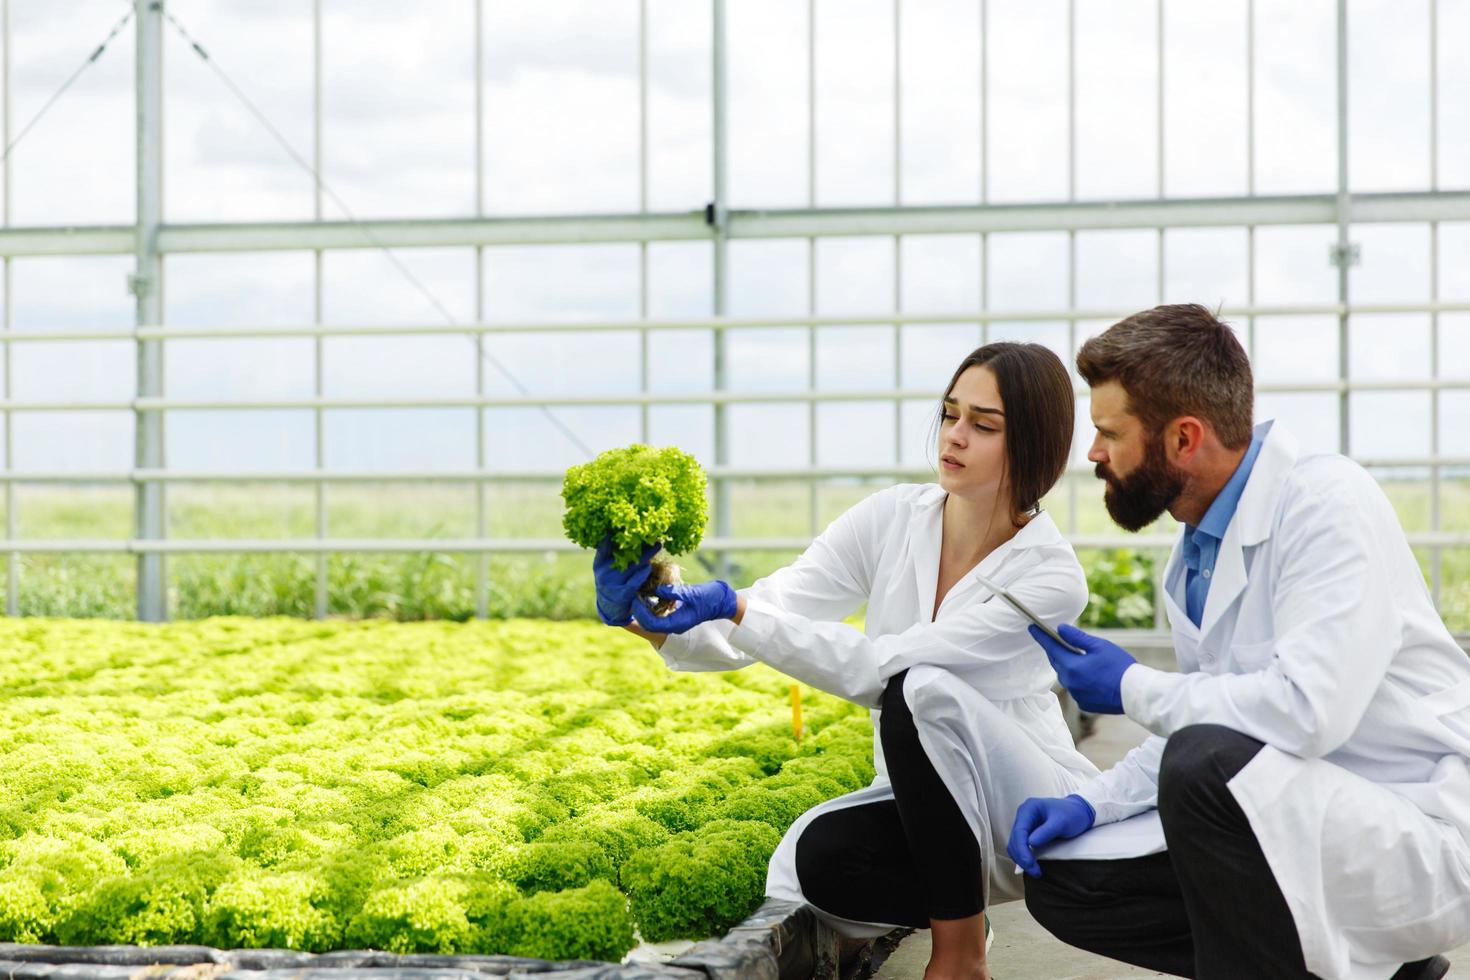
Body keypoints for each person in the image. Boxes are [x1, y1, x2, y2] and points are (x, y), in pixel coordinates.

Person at [593, 342, 1098, 980]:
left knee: (917, 688)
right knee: (814, 860)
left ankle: (961, 956)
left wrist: (737, 609)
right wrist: (653, 613)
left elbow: (882, 674)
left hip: (1022, 805)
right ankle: (959, 908)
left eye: (984, 424)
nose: (956, 436)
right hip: (927, 809)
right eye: (949, 415)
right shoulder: (893, 518)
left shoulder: (1049, 576)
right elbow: (782, 603)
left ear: (1032, 445)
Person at [1007, 304, 1469, 980]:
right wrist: (1090, 802)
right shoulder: (1193, 554)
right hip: (1301, 819)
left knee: (1204, 766)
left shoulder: (1325, 503)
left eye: (1110, 432)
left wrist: (1131, 686)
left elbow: (1309, 712)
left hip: (1413, 825)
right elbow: (1206, 715)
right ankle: (1379, 972)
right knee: (1063, 883)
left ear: (1184, 439)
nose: (1094, 453)